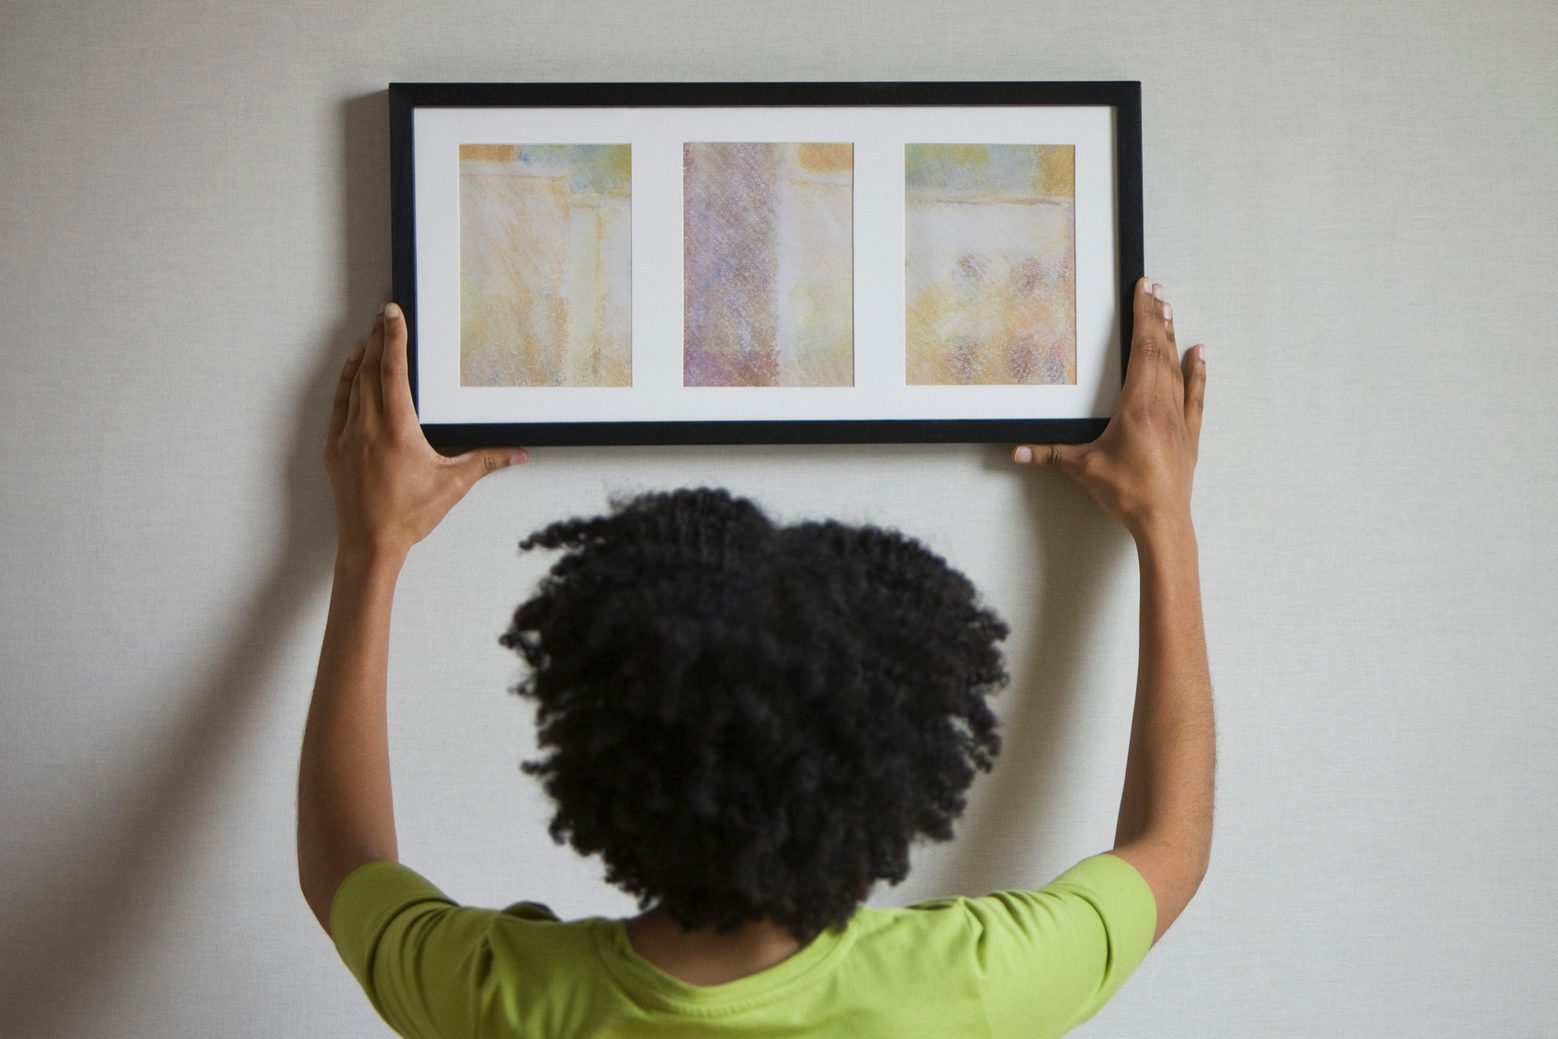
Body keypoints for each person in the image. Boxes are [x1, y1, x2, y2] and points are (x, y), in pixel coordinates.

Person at [297, 275, 1212, 1037]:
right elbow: (1170, 843)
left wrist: (369, 550)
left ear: (596, 755)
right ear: (896, 773)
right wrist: (1164, 520)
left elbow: (343, 867)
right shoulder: (965, 986)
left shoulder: (515, 1000)